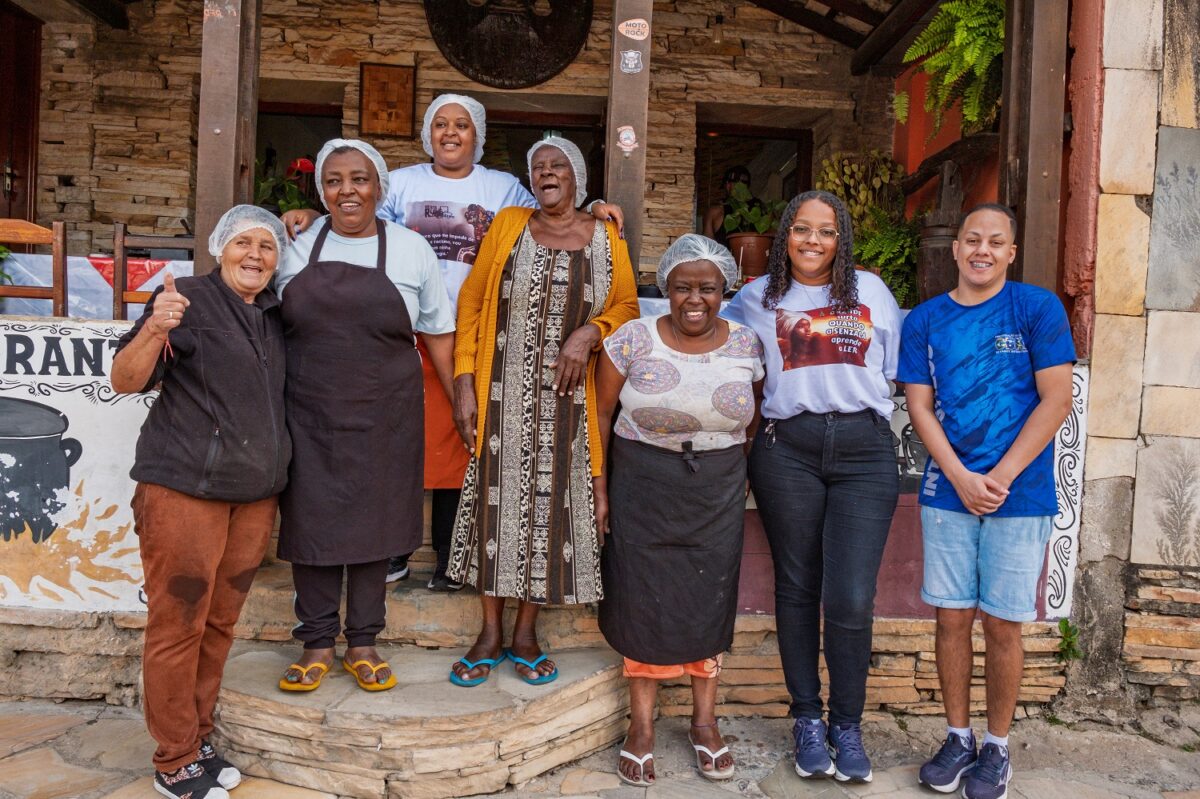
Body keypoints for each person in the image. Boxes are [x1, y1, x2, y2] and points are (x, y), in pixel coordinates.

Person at [283, 95, 624, 591]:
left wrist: (593, 206)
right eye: (440, 124)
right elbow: (355, 215)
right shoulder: (403, 180)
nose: (450, 133)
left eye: (461, 125)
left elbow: (553, 204)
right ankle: (393, 550)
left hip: (469, 337)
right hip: (399, 330)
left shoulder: (501, 186)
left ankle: (448, 553)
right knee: (395, 441)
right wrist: (309, 213)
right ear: (427, 133)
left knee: (461, 441)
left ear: (476, 135)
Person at [111, 205, 291, 799]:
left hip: (252, 497)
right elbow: (125, 380)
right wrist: (155, 329)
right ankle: (174, 761)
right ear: (220, 248)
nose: (255, 255)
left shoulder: (273, 313)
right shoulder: (185, 299)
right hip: (184, 489)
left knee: (219, 624)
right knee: (178, 624)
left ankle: (197, 738)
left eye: (267, 246)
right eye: (243, 243)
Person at [447, 135, 639, 687]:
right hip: (500, 395)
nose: (546, 174)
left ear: (577, 177)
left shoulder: (607, 236)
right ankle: (489, 632)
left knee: (548, 511)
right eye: (537, 168)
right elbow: (473, 300)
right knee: (495, 507)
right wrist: (465, 379)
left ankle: (526, 633)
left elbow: (626, 306)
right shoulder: (510, 224)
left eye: (558, 166)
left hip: (569, 403)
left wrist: (590, 332)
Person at [724, 189, 901, 784]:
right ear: (785, 235)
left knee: (850, 596)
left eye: (826, 231)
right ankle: (806, 718)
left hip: (863, 450)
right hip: (787, 450)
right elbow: (717, 349)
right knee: (797, 588)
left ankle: (846, 725)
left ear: (840, 239)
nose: (813, 241)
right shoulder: (756, 298)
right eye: (802, 228)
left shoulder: (871, 291)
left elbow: (893, 370)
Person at [900, 203, 1075, 799]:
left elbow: (1057, 399)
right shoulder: (926, 319)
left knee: (1003, 623)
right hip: (947, 492)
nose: (982, 250)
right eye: (972, 239)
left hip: (1020, 493)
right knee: (951, 617)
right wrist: (960, 477)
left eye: (995, 242)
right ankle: (958, 737)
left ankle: (996, 747)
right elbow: (919, 405)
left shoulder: (1036, 308)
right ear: (955, 248)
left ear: (1011, 252)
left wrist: (996, 476)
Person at [274, 138, 457, 693]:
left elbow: (438, 333)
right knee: (311, 519)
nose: (346, 190)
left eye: (359, 179)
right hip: (308, 407)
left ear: (379, 187)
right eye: (333, 181)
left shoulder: (410, 249)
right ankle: (315, 641)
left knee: (377, 523)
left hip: (386, 410)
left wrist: (460, 398)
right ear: (321, 190)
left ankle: (363, 642)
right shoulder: (295, 246)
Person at [593, 234, 764, 787]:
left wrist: (734, 468)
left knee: (708, 599)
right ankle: (640, 726)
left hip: (715, 488)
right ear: (665, 288)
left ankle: (704, 722)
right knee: (641, 598)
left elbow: (755, 418)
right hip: (642, 484)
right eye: (682, 287)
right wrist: (599, 488)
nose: (695, 299)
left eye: (707, 288)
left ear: (724, 290)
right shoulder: (631, 340)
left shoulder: (747, 343)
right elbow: (599, 415)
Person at [702, 165, 752, 247]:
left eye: (744, 183)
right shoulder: (715, 212)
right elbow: (707, 246)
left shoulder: (760, 211)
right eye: (738, 183)